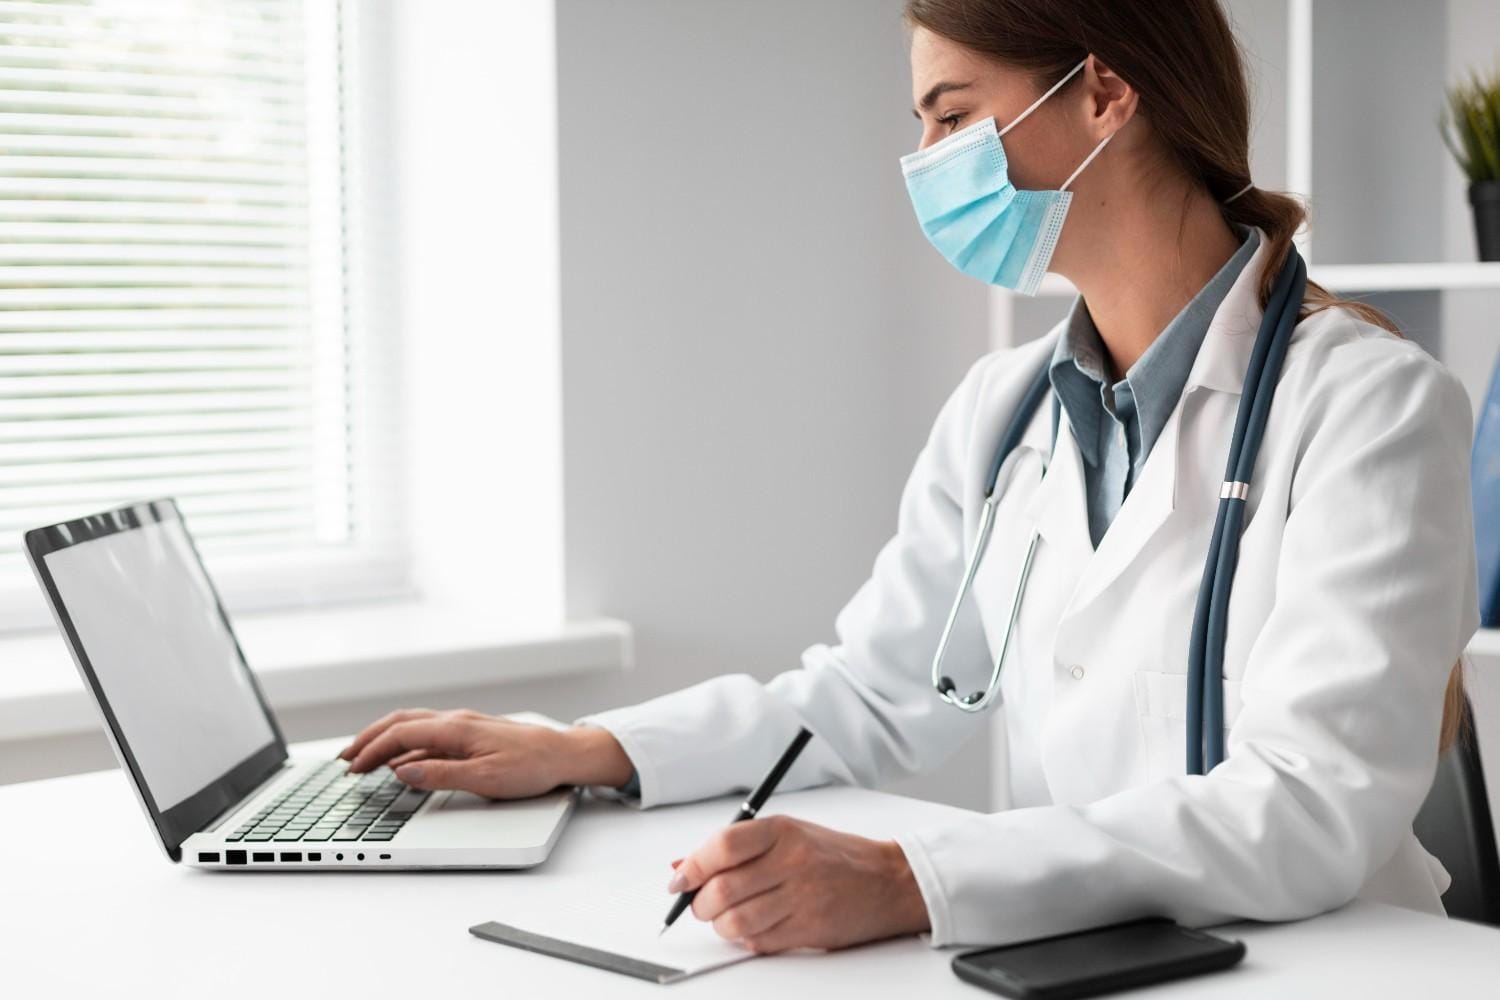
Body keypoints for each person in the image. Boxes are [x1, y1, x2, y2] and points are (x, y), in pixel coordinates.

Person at [339, 0, 1477, 952]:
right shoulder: (1003, 412)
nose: (931, 167)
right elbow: (871, 697)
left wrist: (913, 876)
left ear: (1103, 95)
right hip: (1082, 958)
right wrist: (592, 749)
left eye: (953, 117)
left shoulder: (1369, 407)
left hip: (1334, 962)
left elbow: (1313, 801)